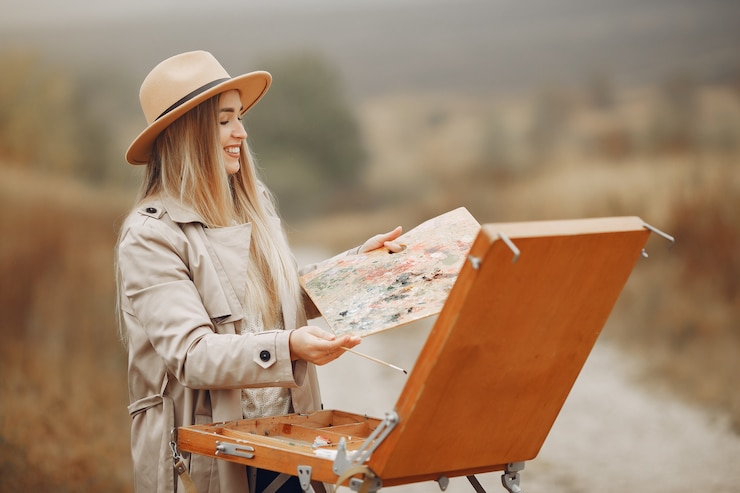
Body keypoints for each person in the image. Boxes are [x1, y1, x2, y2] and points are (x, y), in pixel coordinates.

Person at [116, 50, 403, 493]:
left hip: (288, 444)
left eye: (240, 117)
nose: (241, 132)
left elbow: (275, 299)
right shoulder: (149, 237)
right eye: (225, 120)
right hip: (210, 461)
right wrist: (290, 346)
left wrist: (355, 269)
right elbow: (194, 355)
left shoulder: (252, 205)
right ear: (188, 133)